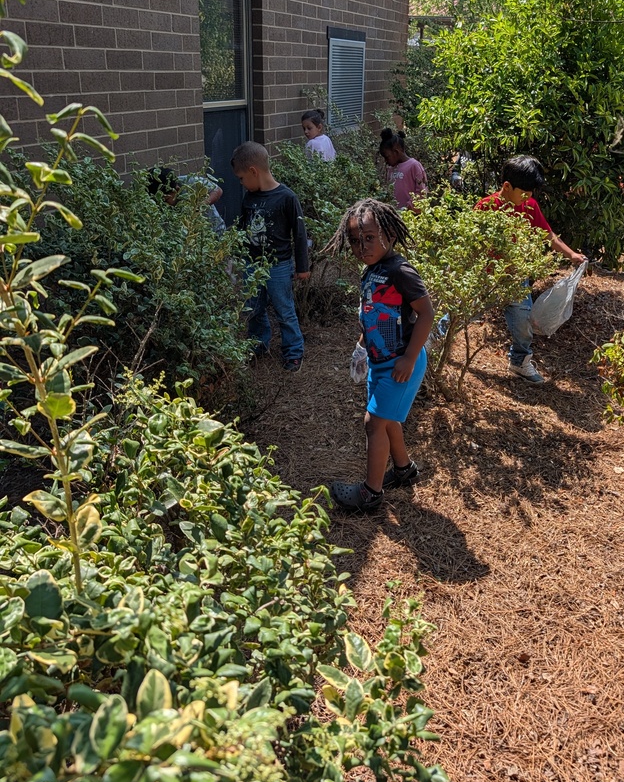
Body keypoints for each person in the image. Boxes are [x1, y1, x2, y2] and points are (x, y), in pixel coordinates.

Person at [324, 198, 434, 512]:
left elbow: (426, 314)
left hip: (401, 363)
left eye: (370, 238)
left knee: (373, 423)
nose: (363, 246)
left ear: (390, 234)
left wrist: (409, 359)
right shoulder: (372, 270)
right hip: (379, 362)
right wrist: (362, 346)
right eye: (356, 241)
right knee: (386, 422)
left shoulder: (400, 270)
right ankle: (404, 469)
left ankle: (370, 494)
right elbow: (372, 313)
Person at [476, 155, 587, 384]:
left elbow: (548, 235)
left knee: (523, 323)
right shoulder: (486, 207)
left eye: (530, 193)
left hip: (516, 279)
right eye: (524, 192)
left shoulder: (529, 206)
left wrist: (571, 254)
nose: (528, 198)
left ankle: (519, 361)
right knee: (462, 312)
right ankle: (433, 345)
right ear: (507, 186)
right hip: (486, 278)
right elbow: (473, 244)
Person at [231, 141, 310, 371]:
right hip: (251, 265)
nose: (242, 183)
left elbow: (300, 233)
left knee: (284, 309)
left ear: (254, 172)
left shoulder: (286, 197)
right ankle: (258, 344)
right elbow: (243, 230)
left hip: (279, 266)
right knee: (253, 308)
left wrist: (302, 266)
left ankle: (294, 351)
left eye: (242, 178)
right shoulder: (249, 199)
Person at [147, 165, 226, 236]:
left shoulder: (189, 182)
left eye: (166, 200)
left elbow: (217, 190)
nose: (163, 204)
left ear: (177, 189)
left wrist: (198, 207)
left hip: (213, 232)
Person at [379, 127, 428, 210]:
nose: (385, 161)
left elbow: (422, 192)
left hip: (411, 217)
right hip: (394, 215)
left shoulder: (414, 166)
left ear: (396, 152)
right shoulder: (390, 168)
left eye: (387, 157)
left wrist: (407, 208)